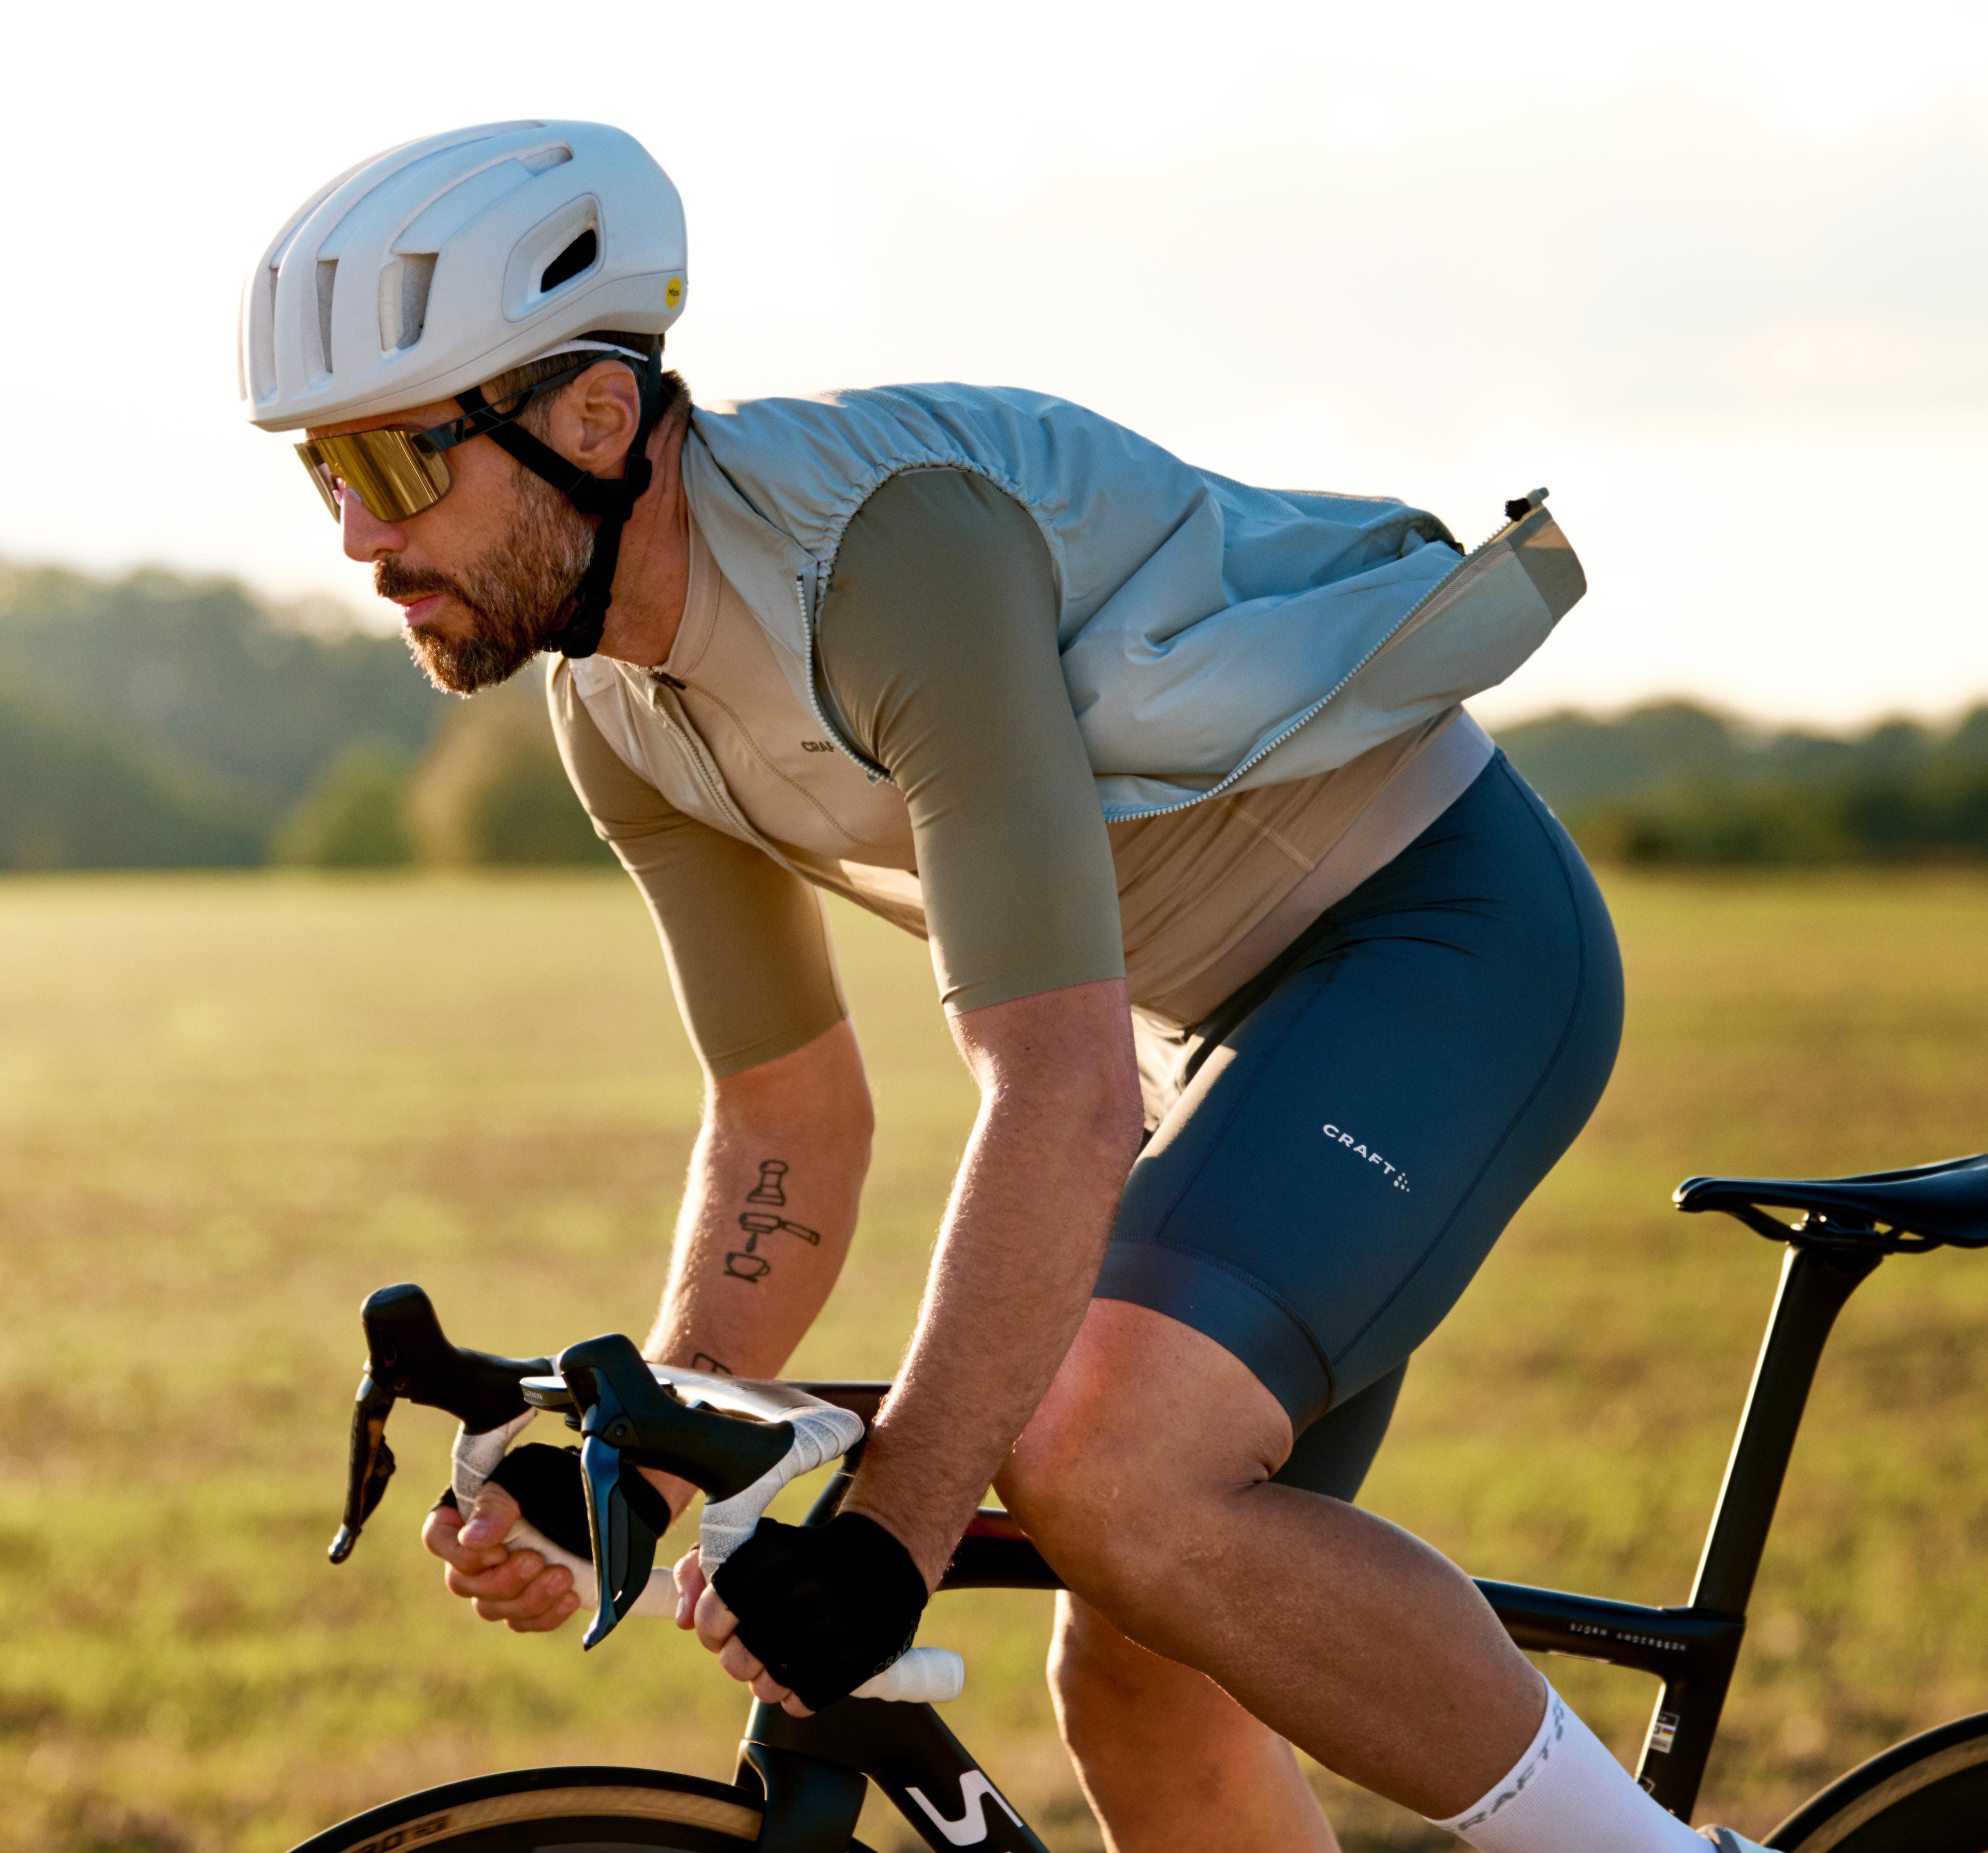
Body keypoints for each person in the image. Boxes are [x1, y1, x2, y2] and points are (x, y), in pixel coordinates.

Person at [245, 119, 1765, 1853]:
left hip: (1443, 942)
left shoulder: (884, 558)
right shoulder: (616, 711)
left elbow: (1061, 1090)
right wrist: (637, 1465)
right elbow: (787, 1122)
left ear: (594, 417)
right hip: (1224, 1042)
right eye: (323, 473)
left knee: (1106, 1463)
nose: (357, 539)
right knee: (1141, 1676)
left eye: (394, 460)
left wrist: (890, 1536)